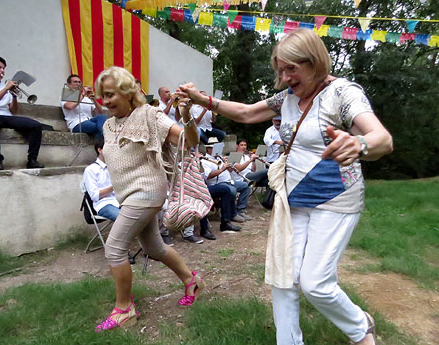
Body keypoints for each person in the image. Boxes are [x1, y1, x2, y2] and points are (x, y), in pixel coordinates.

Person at [179, 28, 393, 345]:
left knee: (315, 283)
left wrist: (359, 144)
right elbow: (248, 112)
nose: (285, 76)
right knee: (283, 277)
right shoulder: (288, 98)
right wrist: (204, 101)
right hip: (293, 199)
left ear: (315, 62)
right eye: (281, 68)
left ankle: (360, 327)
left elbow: (383, 140)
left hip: (335, 199)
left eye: (291, 68)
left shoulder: (343, 93)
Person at [93, 66, 205, 332]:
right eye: (102, 96)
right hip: (127, 195)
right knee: (155, 248)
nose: (105, 101)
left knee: (115, 247)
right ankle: (192, 281)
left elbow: (189, 141)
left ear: (128, 92)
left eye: (110, 95)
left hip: (146, 192)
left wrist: (186, 113)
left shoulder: (150, 115)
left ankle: (124, 309)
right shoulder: (108, 125)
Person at [0, 55, 44, 170]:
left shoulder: (6, 87)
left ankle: (32, 160)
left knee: (36, 126)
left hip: (6, 116)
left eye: (3, 68)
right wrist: (5, 89)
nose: (2, 71)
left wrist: (14, 97)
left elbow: (13, 110)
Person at [200, 139, 245, 232]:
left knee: (234, 188)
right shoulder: (205, 161)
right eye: (214, 148)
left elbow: (229, 171)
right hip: (214, 185)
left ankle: (226, 221)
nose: (217, 151)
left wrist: (228, 165)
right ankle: (232, 215)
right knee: (228, 190)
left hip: (227, 182)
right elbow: (208, 176)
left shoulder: (218, 158)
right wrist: (222, 169)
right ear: (208, 149)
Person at [83, 137, 119, 221]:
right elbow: (95, 196)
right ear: (100, 150)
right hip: (104, 204)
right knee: (125, 221)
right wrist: (114, 186)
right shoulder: (90, 170)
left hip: (122, 202)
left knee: (145, 214)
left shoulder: (116, 167)